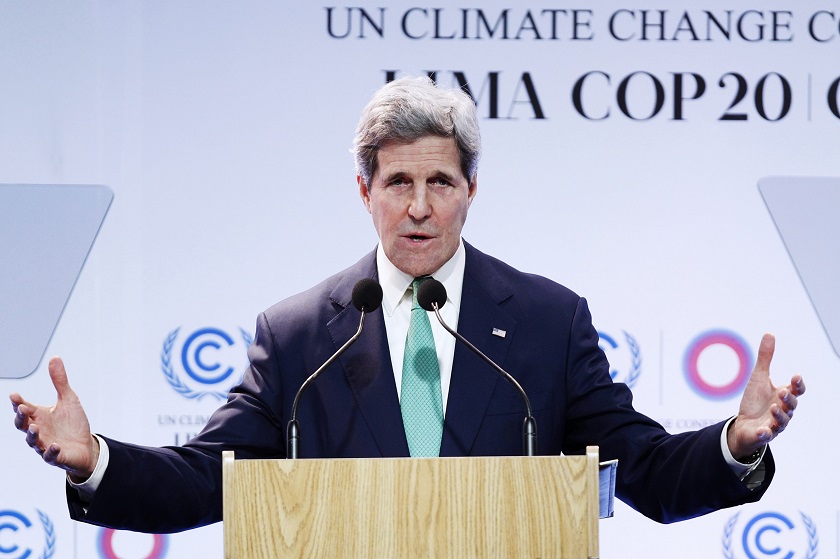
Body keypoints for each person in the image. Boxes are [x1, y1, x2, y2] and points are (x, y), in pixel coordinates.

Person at [11, 76, 804, 534]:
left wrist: (734, 440)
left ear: (471, 193)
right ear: (365, 192)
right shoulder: (297, 338)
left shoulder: (544, 322)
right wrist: (95, 459)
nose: (419, 206)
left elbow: (650, 473)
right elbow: (206, 480)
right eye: (398, 183)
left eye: (440, 183)